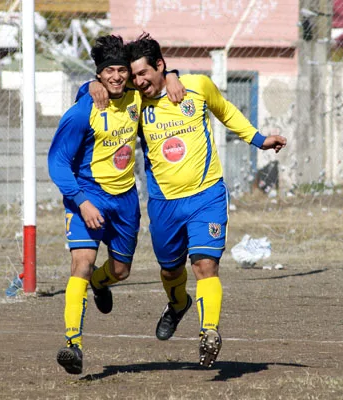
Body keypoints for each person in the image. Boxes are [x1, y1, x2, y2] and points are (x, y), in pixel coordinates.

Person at [89, 33, 287, 368]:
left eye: (143, 74)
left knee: (204, 265)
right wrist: (90, 83)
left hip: (206, 194)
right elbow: (108, 83)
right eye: (133, 76)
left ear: (160, 66)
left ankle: (209, 332)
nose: (137, 81)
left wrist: (259, 139)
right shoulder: (135, 102)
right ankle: (178, 304)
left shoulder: (197, 87)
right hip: (164, 204)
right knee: (170, 272)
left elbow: (226, 111)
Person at [48, 34, 185, 375]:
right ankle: (72, 344)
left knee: (120, 271)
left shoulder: (137, 99)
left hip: (125, 201)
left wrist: (172, 75)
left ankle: (101, 282)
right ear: (98, 74)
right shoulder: (84, 110)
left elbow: (153, 78)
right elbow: (57, 162)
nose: (117, 77)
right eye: (108, 71)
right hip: (87, 197)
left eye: (121, 70)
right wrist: (80, 202)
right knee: (81, 263)